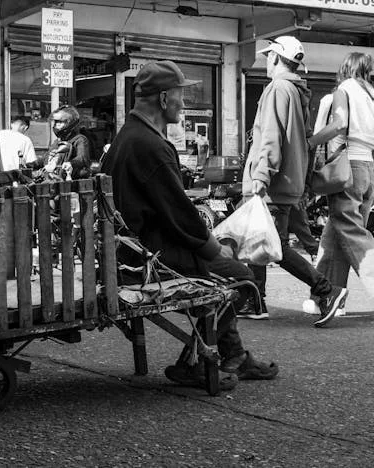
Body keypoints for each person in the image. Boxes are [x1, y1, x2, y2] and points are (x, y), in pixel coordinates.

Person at [101, 60, 279, 390]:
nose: (183, 103)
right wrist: (213, 248)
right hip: (147, 260)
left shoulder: (130, 137)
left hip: (132, 252)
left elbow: (172, 212)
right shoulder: (150, 146)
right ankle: (194, 364)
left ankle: (235, 355)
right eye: (180, 95)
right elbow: (179, 217)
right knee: (241, 277)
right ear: (164, 98)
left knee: (228, 267)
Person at [243, 36, 347, 327]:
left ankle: (326, 290)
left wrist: (261, 175)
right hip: (288, 182)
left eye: (268, 56)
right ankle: (255, 301)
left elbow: (271, 135)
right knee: (260, 243)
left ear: (276, 58)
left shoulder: (278, 88)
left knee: (274, 247)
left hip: (273, 184)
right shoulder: (298, 91)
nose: (266, 61)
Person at [307, 52, 374, 314]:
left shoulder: (344, 89)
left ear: (345, 69)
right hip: (369, 167)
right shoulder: (371, 95)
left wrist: (310, 143)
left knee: (352, 233)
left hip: (348, 167)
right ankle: (326, 298)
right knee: (335, 234)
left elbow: (339, 124)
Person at [33, 105, 91, 181]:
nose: (56, 125)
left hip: (72, 180)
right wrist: (31, 164)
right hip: (54, 179)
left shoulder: (80, 139)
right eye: (55, 122)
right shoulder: (57, 141)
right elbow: (46, 158)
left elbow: (82, 158)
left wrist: (71, 163)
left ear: (69, 122)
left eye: (59, 122)